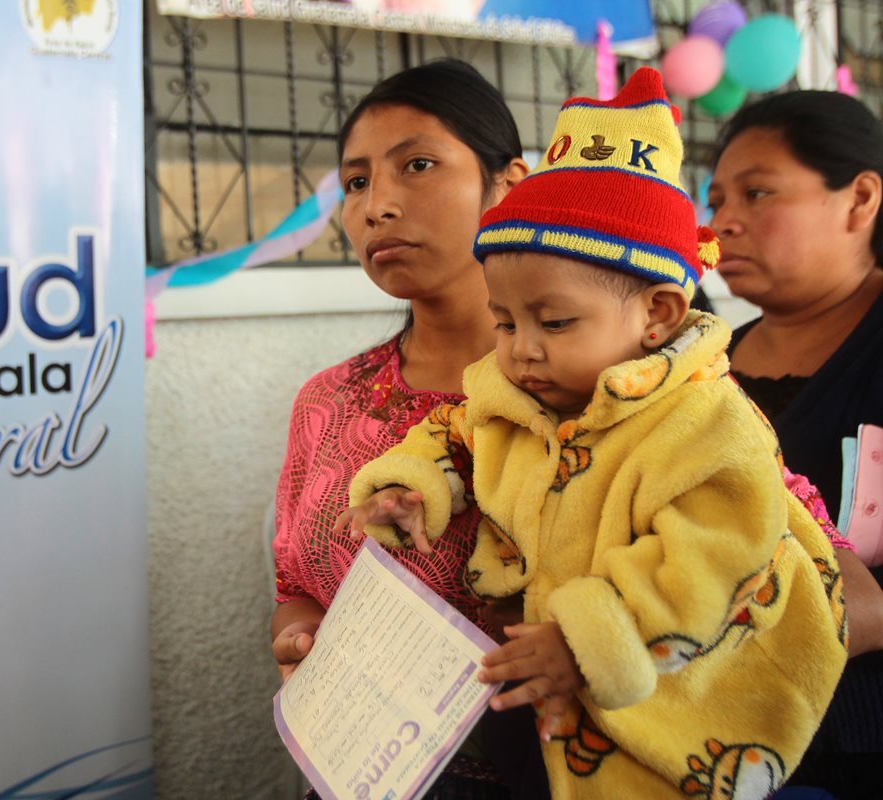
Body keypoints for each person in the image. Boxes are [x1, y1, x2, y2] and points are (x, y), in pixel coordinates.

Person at [342, 68, 847, 799]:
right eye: (505, 323)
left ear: (658, 315)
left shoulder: (707, 422)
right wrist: (411, 488)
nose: (521, 350)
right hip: (541, 710)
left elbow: (711, 558)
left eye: (555, 322)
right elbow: (453, 432)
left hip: (668, 715)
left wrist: (588, 638)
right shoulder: (515, 390)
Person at [270, 59, 543, 798]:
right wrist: (299, 639)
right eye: (356, 182)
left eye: (417, 165)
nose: (377, 206)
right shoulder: (328, 401)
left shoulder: (588, 395)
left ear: (508, 186)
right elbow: (295, 585)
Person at [709, 89, 883, 797]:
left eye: (757, 193)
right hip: (712, 740)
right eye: (717, 200)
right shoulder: (702, 362)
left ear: (860, 199)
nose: (723, 222)